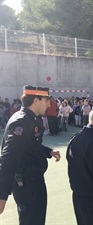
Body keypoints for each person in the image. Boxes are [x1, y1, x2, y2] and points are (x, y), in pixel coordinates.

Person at [0, 85, 61, 225]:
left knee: (37, 219)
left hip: (34, 179)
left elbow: (31, 145)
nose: (49, 104)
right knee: (31, 220)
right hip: (26, 183)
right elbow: (8, 160)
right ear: (36, 101)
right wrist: (2, 195)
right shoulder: (20, 122)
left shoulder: (32, 118)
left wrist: (48, 152)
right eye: (46, 101)